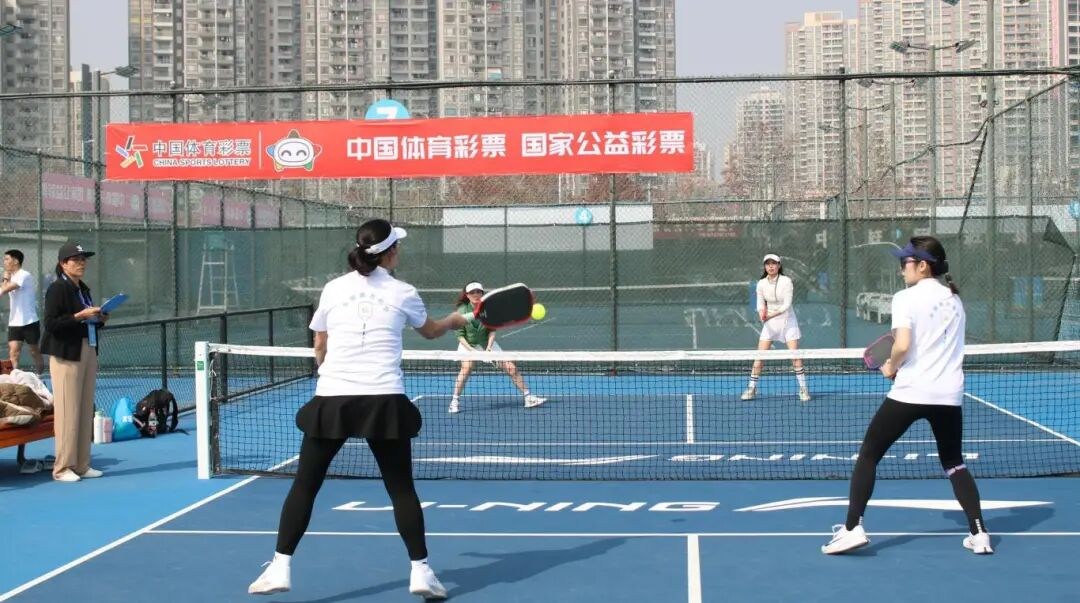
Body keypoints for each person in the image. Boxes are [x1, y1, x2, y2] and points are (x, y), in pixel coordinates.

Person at [248, 219, 469, 599]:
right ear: (390, 253)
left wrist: (327, 372)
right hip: (383, 400)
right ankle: (421, 572)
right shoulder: (403, 292)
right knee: (401, 489)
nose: (400, 251)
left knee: (305, 485)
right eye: (397, 245)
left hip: (333, 398)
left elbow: (320, 342)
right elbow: (432, 331)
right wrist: (456, 320)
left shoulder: (333, 289)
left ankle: (278, 567)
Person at [822, 236, 992, 556]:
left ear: (923, 266)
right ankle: (979, 533)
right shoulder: (955, 300)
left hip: (911, 391)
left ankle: (852, 529)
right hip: (949, 394)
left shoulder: (905, 298)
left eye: (906, 262)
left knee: (868, 455)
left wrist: (890, 366)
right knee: (954, 463)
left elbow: (902, 345)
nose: (902, 269)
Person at [40, 242, 106, 482]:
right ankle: (62, 468)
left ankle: (81, 464)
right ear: (63, 263)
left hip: (87, 348)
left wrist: (99, 318)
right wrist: (80, 316)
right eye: (76, 259)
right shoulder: (57, 288)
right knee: (68, 410)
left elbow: (86, 321)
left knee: (85, 407)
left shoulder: (83, 289)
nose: (81, 263)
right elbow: (51, 323)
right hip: (66, 354)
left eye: (83, 259)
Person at [447, 281, 545, 414]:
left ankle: (529, 398)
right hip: (468, 345)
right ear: (467, 295)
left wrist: (488, 348)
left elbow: (492, 330)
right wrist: (472, 351)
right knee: (466, 368)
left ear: (482, 293)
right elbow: (460, 335)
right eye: (472, 292)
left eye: (478, 292)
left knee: (511, 367)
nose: (475, 294)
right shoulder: (461, 311)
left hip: (486, 343)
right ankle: (454, 402)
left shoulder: (488, 308)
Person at [740, 254, 810, 402]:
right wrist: (761, 313)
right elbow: (760, 304)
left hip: (788, 321)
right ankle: (752, 388)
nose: (770, 266)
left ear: (779, 265)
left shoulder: (786, 281)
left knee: (795, 357)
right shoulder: (761, 284)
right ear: (765, 266)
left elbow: (787, 305)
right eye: (768, 264)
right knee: (759, 357)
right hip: (770, 324)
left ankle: (803, 389)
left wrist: (770, 315)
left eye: (773, 263)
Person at [1, 249, 45, 374]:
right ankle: (14, 379)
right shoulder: (11, 277)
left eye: (7, 259)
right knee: (13, 352)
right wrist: (6, 279)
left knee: (34, 351)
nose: (4, 262)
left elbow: (4, 289)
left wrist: (5, 278)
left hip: (29, 321)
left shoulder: (24, 275)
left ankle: (40, 376)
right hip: (14, 322)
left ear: (16, 261)